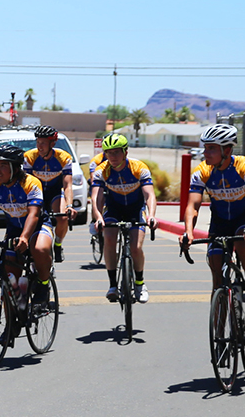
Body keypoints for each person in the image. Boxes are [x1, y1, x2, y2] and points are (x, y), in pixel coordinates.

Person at [182, 123, 245, 325]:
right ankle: (219, 330)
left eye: (211, 148)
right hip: (219, 223)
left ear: (226, 150)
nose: (205, 152)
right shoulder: (202, 171)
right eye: (205, 147)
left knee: (244, 247)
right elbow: (192, 205)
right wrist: (188, 232)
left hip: (241, 221)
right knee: (217, 273)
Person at [0, 144, 54, 320]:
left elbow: (34, 214)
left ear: (15, 168)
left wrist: (25, 237)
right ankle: (12, 324)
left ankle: (43, 286)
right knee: (8, 281)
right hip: (14, 229)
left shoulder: (30, 183)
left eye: (3, 166)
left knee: (39, 249)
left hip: (38, 226)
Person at [90, 134, 157, 303]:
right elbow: (96, 199)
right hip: (114, 209)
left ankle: (140, 283)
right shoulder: (101, 171)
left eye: (116, 152)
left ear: (125, 152)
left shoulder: (139, 168)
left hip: (136, 209)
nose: (112, 157)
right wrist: (98, 217)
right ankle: (113, 285)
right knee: (110, 239)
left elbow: (149, 195)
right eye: (108, 153)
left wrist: (151, 215)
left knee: (135, 248)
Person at [23, 125, 75, 262]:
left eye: (43, 143)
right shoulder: (29, 157)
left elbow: (68, 184)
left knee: (63, 218)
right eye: (38, 142)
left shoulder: (63, 158)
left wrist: (69, 205)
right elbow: (26, 184)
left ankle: (58, 245)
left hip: (55, 192)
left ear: (52, 144)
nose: (39, 146)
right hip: (37, 193)